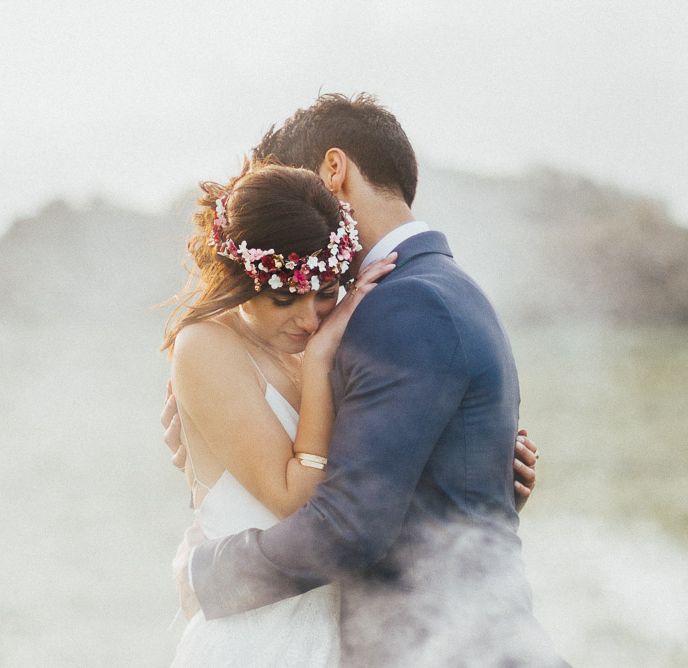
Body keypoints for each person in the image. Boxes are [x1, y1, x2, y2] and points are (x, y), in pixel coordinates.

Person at [163, 94, 563, 666]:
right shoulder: (426, 291)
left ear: (333, 170)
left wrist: (206, 573)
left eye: (291, 186)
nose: (286, 217)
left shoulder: (403, 303)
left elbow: (349, 526)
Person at [163, 160, 398, 665]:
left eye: (327, 293)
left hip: (334, 634)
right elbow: (297, 502)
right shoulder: (206, 346)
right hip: (253, 642)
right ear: (238, 279)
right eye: (283, 298)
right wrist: (319, 364)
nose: (309, 318)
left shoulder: (319, 335)